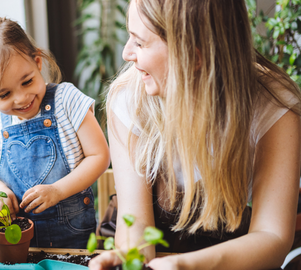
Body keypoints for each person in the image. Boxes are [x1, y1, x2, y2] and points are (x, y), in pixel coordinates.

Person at [89, 0, 301, 269]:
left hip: (232, 251)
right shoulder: (129, 98)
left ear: (193, 56)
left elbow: (272, 235)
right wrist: (130, 259)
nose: (126, 53)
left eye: (139, 43)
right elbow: (137, 222)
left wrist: (186, 265)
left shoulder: (275, 105)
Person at [0, 17, 110, 249]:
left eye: (27, 81)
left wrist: (57, 191)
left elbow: (99, 156)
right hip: (22, 247)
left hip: (74, 242)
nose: (21, 98)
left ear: (38, 61)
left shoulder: (66, 101)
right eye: (4, 94)